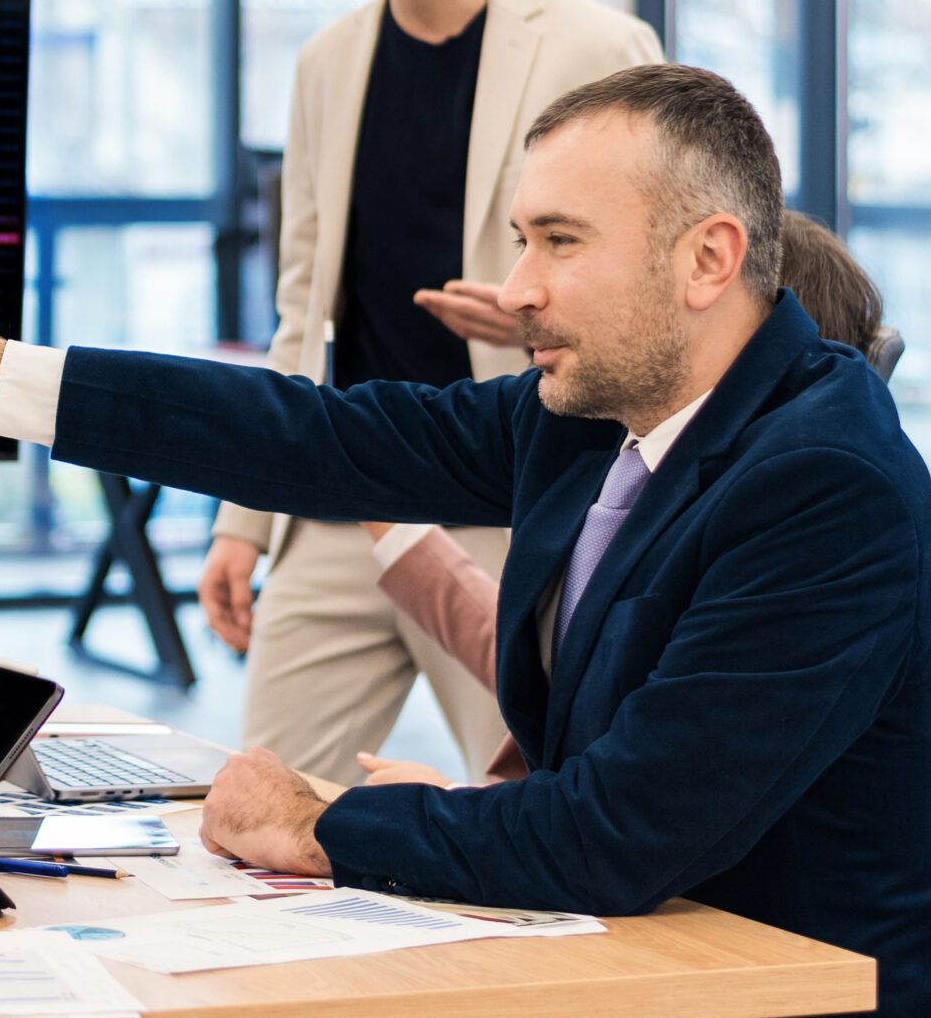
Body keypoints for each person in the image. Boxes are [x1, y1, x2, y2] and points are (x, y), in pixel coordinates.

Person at [0, 64, 931, 1018]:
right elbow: (312, 437)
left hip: (812, 1005)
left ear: (707, 260)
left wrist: (322, 826)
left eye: (559, 242)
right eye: (520, 240)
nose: (517, 289)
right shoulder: (586, 416)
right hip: (645, 965)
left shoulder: (824, 481)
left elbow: (620, 835)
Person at [199, 0, 663, 785]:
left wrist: (540, 316)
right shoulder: (328, 62)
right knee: (249, 808)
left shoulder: (594, 48)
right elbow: (298, 308)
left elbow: (656, 289)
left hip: (508, 501)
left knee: (541, 811)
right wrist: (243, 521)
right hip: (342, 497)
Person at [354, 209, 890, 788]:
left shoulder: (796, 510)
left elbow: (641, 808)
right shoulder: (647, 468)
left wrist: (440, 809)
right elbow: (570, 668)